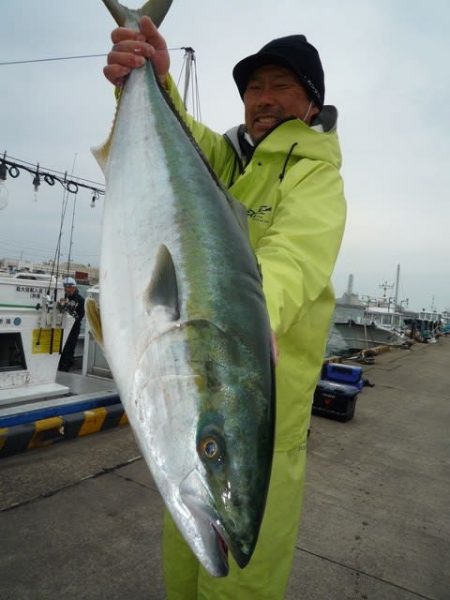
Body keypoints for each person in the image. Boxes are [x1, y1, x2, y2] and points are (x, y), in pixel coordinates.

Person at [104, 17, 346, 600]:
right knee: (184, 572)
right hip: (195, 408)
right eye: (254, 87)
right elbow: (173, 137)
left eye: (281, 86)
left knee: (242, 586)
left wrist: (262, 318)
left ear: (310, 104)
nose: (263, 99)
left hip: (261, 425)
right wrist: (147, 77)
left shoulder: (316, 178)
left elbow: (293, 259)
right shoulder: (227, 160)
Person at [58, 277, 85, 372]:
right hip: (60, 327)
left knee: (69, 349)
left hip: (73, 330)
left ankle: (65, 368)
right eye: (65, 287)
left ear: (74, 287)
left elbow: (80, 316)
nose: (66, 289)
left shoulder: (80, 300)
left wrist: (70, 311)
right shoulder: (61, 297)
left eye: (69, 287)